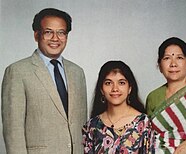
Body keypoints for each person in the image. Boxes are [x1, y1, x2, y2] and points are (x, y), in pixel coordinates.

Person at [1, 8, 87, 154]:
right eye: (48, 32)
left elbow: (81, 125)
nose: (55, 38)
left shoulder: (77, 73)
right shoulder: (17, 72)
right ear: (36, 35)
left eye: (61, 32)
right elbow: (13, 131)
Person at [82, 60, 152, 153]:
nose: (115, 89)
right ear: (101, 90)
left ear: (130, 88)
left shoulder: (144, 123)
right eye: (108, 83)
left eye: (121, 83)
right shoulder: (92, 125)